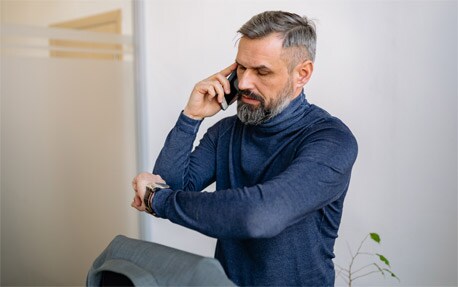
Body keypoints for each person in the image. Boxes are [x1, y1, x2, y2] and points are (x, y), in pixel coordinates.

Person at [131, 10, 358, 286]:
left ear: (302, 74)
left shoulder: (331, 140)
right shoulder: (226, 131)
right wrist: (191, 117)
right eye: (241, 68)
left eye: (262, 71)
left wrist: (159, 201)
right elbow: (168, 182)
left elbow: (259, 216)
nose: (245, 83)